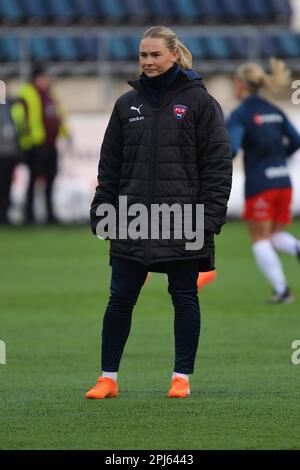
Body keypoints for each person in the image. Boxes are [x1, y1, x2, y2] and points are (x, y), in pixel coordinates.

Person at [85, 26, 232, 400]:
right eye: (143, 55)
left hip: (183, 219)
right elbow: (110, 166)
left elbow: (217, 165)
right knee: (119, 299)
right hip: (131, 219)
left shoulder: (200, 103)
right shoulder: (125, 105)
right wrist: (103, 208)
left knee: (184, 296)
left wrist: (211, 217)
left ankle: (181, 378)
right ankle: (108, 379)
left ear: (172, 55)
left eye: (155, 55)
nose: (148, 62)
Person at [226, 59, 300, 304]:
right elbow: (296, 139)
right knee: (273, 235)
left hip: (260, 184)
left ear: (240, 84)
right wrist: (281, 158)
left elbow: (233, 148)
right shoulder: (275, 111)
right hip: (283, 181)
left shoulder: (241, 113)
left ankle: (282, 291)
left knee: (259, 239)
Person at [14, 64, 70, 224]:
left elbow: (58, 116)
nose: (47, 80)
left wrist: (66, 133)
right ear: (36, 78)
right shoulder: (27, 94)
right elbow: (20, 118)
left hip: (50, 144)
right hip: (36, 145)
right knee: (33, 180)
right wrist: (27, 140)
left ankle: (50, 214)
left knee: (51, 179)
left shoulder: (50, 95)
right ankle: (29, 215)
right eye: (44, 77)